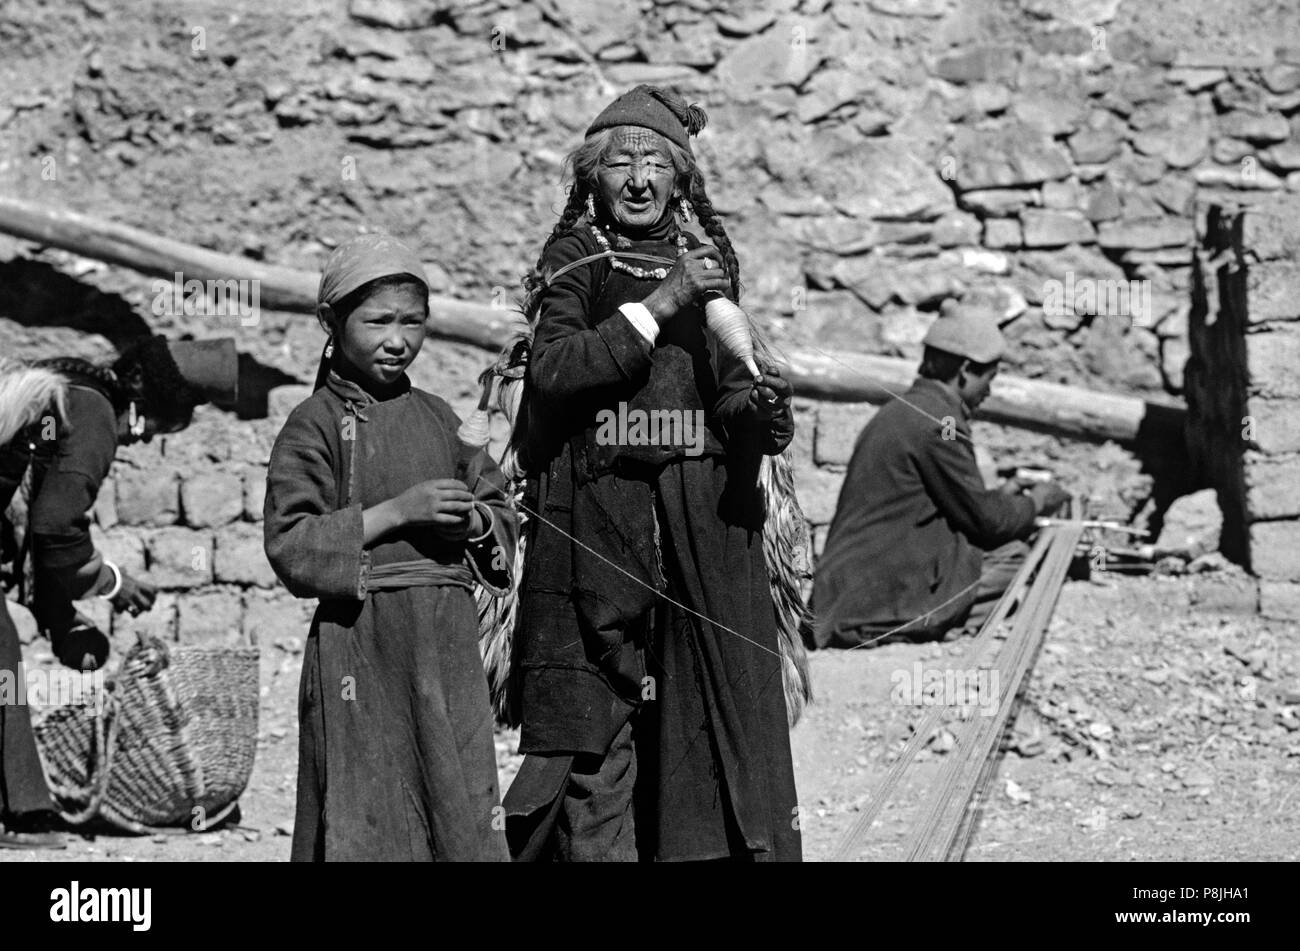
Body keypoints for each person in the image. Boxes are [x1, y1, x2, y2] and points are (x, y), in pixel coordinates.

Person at [504, 85, 802, 862]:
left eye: (654, 165)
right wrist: (663, 300)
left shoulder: (705, 268)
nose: (638, 180)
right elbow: (557, 373)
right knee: (595, 725)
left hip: (698, 518)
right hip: (598, 516)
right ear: (592, 180)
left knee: (701, 713)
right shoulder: (577, 260)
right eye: (618, 165)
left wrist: (756, 413)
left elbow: (726, 388)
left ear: (680, 179)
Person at [263, 233, 517, 862]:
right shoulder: (314, 423)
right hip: (362, 641)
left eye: (414, 323)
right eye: (378, 321)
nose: (397, 340)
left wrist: (473, 525)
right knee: (366, 799)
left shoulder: (439, 416)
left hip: (446, 639)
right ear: (331, 321)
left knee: (456, 797)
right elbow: (289, 540)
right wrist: (397, 513)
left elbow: (499, 513)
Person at [0, 336, 237, 849]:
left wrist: (62, 621)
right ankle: (22, 812)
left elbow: (30, 525)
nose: (146, 440)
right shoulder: (93, 414)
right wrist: (112, 582)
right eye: (156, 427)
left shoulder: (74, 396)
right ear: (145, 406)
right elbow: (57, 528)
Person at [811, 304, 1071, 649]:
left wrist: (1006, 494)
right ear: (965, 371)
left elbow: (957, 502)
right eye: (988, 379)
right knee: (1012, 556)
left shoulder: (902, 411)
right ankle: (920, 627)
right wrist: (1038, 502)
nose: (989, 392)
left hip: (846, 591)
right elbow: (987, 521)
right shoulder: (941, 424)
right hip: (868, 604)